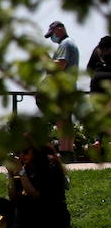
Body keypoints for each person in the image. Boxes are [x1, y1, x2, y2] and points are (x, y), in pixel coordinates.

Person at [43, 21, 80, 154]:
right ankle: (68, 152)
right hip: (70, 87)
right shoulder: (71, 43)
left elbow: (61, 64)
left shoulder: (65, 44)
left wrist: (46, 60)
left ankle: (65, 152)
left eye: (53, 33)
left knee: (62, 121)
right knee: (66, 121)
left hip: (63, 88)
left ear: (60, 29)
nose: (53, 37)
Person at [86, 35, 111, 155]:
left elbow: (89, 69)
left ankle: (98, 141)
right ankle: (99, 142)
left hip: (95, 86)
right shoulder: (99, 50)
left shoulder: (97, 50)